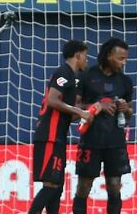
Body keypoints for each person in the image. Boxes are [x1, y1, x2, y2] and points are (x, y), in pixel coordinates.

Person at [29, 40, 94, 214]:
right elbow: (52, 100)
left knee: (57, 187)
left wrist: (89, 110)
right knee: (51, 186)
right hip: (49, 136)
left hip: (57, 136)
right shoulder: (63, 72)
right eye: (85, 56)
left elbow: (68, 113)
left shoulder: (71, 77)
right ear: (78, 55)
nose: (87, 60)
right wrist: (80, 112)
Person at [73, 38, 134, 214]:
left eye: (125, 58)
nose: (124, 63)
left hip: (115, 142)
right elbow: (74, 108)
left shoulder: (125, 81)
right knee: (84, 187)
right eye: (120, 58)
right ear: (108, 56)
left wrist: (126, 108)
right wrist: (97, 106)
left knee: (115, 187)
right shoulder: (87, 76)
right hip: (91, 140)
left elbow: (130, 112)